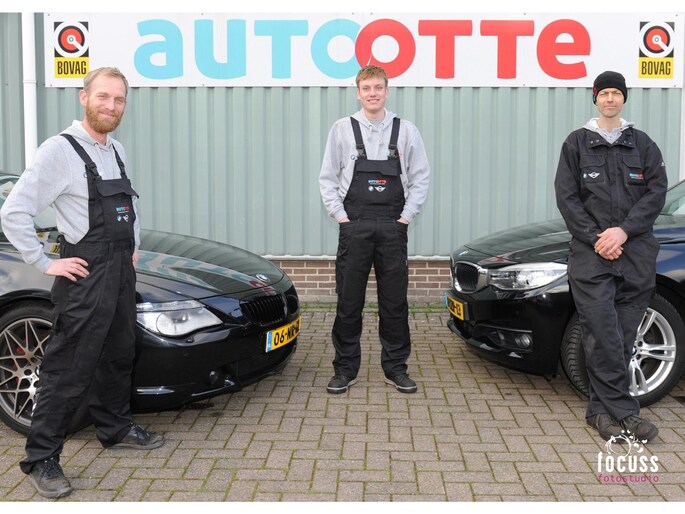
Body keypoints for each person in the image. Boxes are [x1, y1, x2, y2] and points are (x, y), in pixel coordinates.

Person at [0, 67, 165, 499]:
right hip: (86, 275)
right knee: (68, 368)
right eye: (104, 96)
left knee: (119, 353)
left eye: (119, 99)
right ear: (84, 97)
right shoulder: (59, 150)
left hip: (121, 269)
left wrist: (133, 246)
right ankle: (42, 458)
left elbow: (129, 207)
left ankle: (115, 428)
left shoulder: (117, 150)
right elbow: (14, 211)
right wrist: (43, 262)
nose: (111, 106)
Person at [554, 70, 668, 442]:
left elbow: (656, 193)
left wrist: (623, 231)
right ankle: (626, 413)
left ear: (623, 98)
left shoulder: (643, 144)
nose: (610, 99)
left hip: (635, 253)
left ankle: (600, 412)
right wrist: (596, 237)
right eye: (604, 93)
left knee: (623, 337)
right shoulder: (577, 143)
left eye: (616, 93)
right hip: (591, 256)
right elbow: (567, 198)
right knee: (602, 334)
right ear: (595, 97)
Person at [319, 65, 430, 395]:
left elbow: (421, 177)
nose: (372, 93)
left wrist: (406, 217)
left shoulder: (406, 130)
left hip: (392, 227)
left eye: (378, 87)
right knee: (348, 302)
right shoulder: (342, 129)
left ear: (387, 91)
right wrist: (341, 216)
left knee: (394, 303)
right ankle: (345, 369)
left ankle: (396, 368)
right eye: (366, 88)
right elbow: (327, 177)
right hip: (355, 226)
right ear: (358, 93)